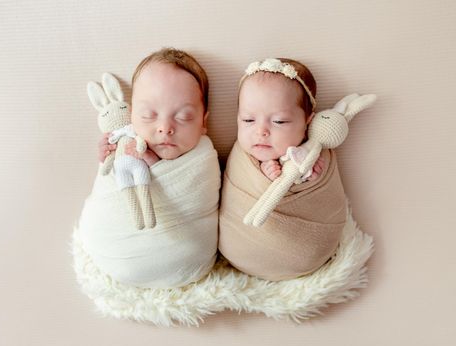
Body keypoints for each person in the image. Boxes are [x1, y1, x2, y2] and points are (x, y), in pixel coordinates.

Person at [82, 48, 221, 288]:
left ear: (203, 122)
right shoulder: (125, 142)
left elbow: (197, 193)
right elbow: (107, 179)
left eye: (184, 117)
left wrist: (152, 163)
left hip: (188, 261)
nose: (165, 127)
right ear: (132, 115)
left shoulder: (203, 157)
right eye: (148, 115)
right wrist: (106, 155)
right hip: (112, 253)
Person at [219, 58, 347, 281]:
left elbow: (322, 197)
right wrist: (264, 171)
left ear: (307, 121)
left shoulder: (313, 152)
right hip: (241, 247)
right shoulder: (243, 154)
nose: (261, 131)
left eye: (278, 122)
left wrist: (311, 177)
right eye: (248, 119)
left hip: (305, 251)